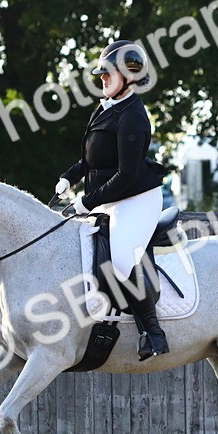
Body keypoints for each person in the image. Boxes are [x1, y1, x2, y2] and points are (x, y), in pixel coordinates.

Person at [56, 40, 169, 360]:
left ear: (129, 76)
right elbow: (92, 159)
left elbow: (128, 175)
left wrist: (87, 202)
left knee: (121, 259)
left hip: (136, 198)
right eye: (101, 75)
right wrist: (69, 177)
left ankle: (153, 332)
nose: (102, 79)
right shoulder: (106, 108)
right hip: (108, 196)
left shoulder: (133, 116)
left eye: (108, 74)